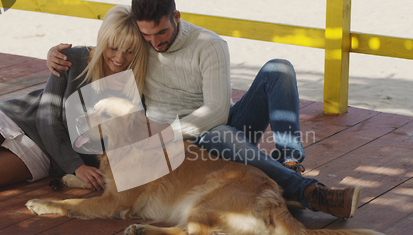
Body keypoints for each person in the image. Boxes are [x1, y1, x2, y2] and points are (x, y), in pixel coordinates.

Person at [46, 0, 361, 219]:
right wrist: (56, 54)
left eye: (161, 33)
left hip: (211, 129)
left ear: (177, 17)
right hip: (184, 147)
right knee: (223, 135)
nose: (153, 42)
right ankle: (309, 193)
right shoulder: (140, 42)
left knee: (278, 69)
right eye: (146, 35)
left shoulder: (208, 45)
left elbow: (216, 112)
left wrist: (165, 135)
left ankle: (290, 164)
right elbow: (111, 48)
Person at [0, 5, 148, 192]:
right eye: (113, 47)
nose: (119, 57)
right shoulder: (70, 59)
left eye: (130, 51)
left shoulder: (138, 86)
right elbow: (47, 118)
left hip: (46, 152)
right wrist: (76, 166)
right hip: (19, 116)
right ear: (102, 40)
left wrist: (76, 165)